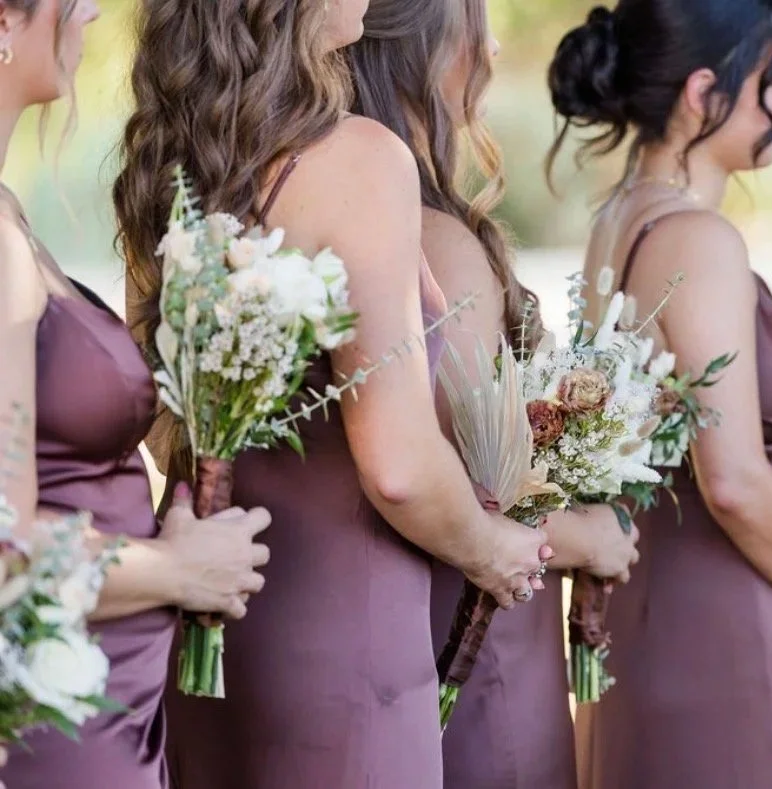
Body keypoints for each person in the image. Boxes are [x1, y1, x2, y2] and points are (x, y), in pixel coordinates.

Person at [111, 0, 548, 786]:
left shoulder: (181, 161)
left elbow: (162, 422)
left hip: (212, 625)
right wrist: (492, 550)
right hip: (347, 645)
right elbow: (399, 465)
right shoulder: (359, 159)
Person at [547, 2, 772, 787]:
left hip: (642, 607)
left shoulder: (618, 219)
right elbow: (731, 477)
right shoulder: (698, 239)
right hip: (722, 620)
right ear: (703, 93)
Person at [345, 1, 640, 786]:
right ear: (419, 49)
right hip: (483, 640)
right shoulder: (437, 242)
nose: (496, 47)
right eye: (474, 23)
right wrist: (595, 537)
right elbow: (483, 490)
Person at [0, 0, 272, 785]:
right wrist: (177, 567)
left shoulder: (10, 213)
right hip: (54, 731)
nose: (90, 11)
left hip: (107, 708)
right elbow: (7, 545)